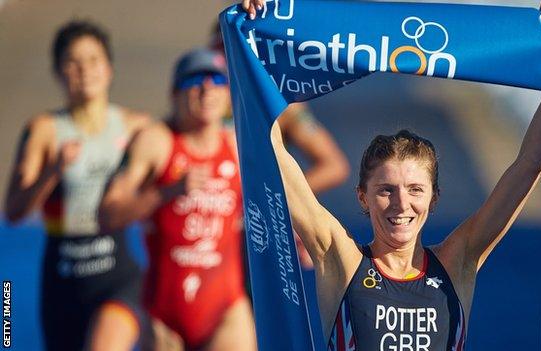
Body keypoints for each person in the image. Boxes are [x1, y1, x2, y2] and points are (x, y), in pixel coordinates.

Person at [242, 0, 541, 349]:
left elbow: (530, 163)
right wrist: (251, 47)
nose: (401, 204)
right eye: (387, 189)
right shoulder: (340, 259)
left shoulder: (457, 261)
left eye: (415, 189)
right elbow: (274, 157)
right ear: (363, 196)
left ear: (433, 198)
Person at [4, 20, 150, 351]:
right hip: (62, 282)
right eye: (73, 61)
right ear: (58, 72)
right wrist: (52, 171)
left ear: (109, 69)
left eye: (94, 60)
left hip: (118, 277)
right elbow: (14, 212)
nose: (85, 70)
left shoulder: (136, 127)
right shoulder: (43, 130)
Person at [98, 48, 256, 351]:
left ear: (226, 94)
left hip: (226, 310)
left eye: (216, 80)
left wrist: (293, 230)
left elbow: (276, 200)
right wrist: (167, 191)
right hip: (165, 315)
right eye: (194, 80)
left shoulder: (236, 145)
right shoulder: (156, 141)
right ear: (174, 94)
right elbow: (107, 215)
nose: (206, 88)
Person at [209, 21, 351, 268]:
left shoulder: (280, 105)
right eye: (220, 50)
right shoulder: (199, 101)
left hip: (258, 230)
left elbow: (334, 166)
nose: (227, 59)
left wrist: (273, 199)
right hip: (210, 227)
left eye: (235, 49)